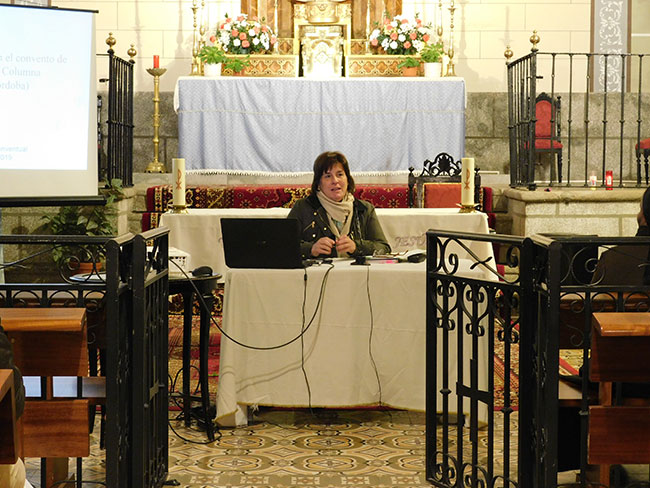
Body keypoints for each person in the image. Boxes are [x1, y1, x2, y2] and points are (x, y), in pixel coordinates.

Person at [288, 151, 391, 259]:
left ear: (348, 179)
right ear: (318, 183)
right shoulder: (303, 207)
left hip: (357, 274)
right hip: (316, 274)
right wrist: (311, 249)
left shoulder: (364, 209)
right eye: (328, 176)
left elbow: (384, 248)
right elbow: (284, 247)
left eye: (340, 174)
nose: (335, 181)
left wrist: (357, 247)